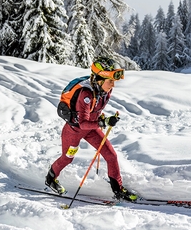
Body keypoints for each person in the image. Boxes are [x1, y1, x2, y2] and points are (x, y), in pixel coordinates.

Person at [45, 57, 137, 201]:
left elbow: (95, 110)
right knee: (67, 158)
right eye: (110, 81)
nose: (113, 85)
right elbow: (82, 123)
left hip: (92, 129)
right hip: (74, 131)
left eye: (114, 81)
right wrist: (103, 122)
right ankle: (50, 179)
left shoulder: (105, 90)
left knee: (111, 156)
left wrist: (102, 119)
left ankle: (118, 190)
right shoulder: (86, 94)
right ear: (99, 79)